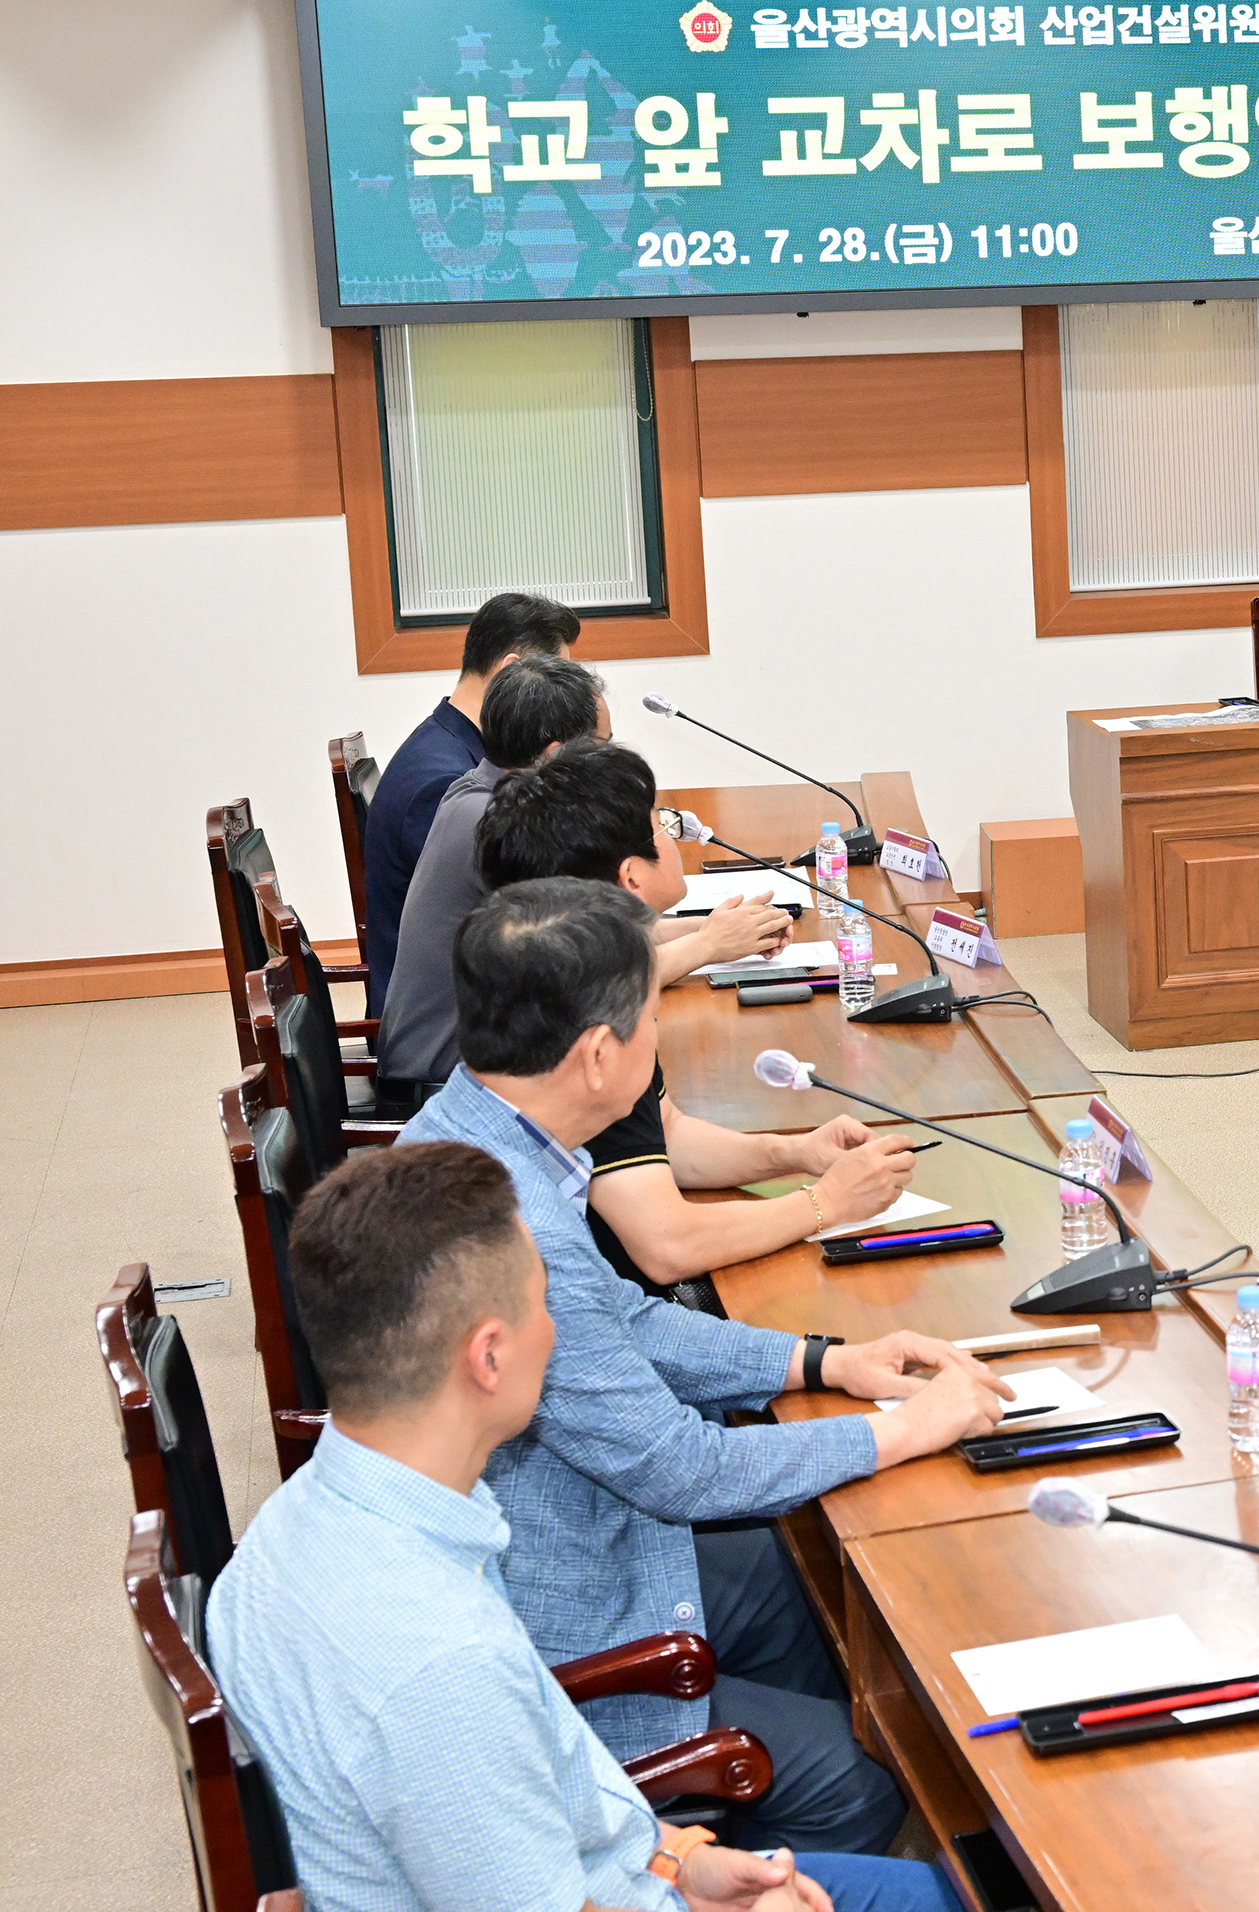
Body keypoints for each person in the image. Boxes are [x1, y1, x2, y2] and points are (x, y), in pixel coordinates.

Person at [397, 877, 1014, 1854]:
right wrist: (904, 1428)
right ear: (601, 1055)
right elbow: (682, 1468)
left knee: (826, 1604)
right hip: (568, 1614)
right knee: (869, 1775)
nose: (656, 1055)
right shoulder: (510, 1215)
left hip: (569, 1538)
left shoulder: (472, 1133)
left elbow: (625, 1323)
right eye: (649, 1023)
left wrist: (824, 1361)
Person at [205, 1142, 964, 1912]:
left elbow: (549, 1772)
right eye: (545, 1305)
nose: (557, 1331)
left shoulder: (298, 1531)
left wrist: (676, 1858)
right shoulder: (439, 1661)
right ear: (489, 1357)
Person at [476, 738, 917, 1294]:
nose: (676, 831)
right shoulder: (582, 1010)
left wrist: (796, 1152)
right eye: (662, 823)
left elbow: (668, 1138)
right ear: (631, 876)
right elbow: (666, 1245)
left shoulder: (569, 968)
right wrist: (825, 1203)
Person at [380, 663, 788, 1101]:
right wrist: (709, 945)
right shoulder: (503, 827)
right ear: (557, 754)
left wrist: (718, 928)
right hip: (451, 1076)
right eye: (601, 746)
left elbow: (600, 933)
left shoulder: (488, 791)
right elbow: (593, 977)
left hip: (483, 1051)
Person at [361, 593, 581, 1012]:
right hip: (446, 1024)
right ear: (514, 671)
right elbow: (522, 924)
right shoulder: (440, 781)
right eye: (557, 678)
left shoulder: (454, 744)